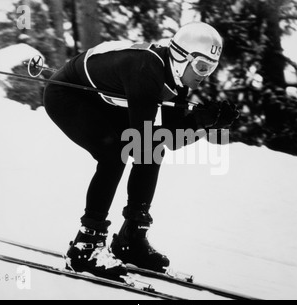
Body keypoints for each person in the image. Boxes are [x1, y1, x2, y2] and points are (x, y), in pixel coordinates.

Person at [43, 22, 239, 281]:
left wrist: (209, 123)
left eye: (212, 68)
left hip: (104, 99)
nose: (205, 75)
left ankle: (131, 238)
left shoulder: (177, 79)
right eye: (202, 66)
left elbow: (170, 140)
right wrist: (198, 121)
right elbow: (143, 138)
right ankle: (85, 246)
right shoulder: (147, 70)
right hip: (68, 94)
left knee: (152, 151)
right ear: (182, 57)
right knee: (115, 155)